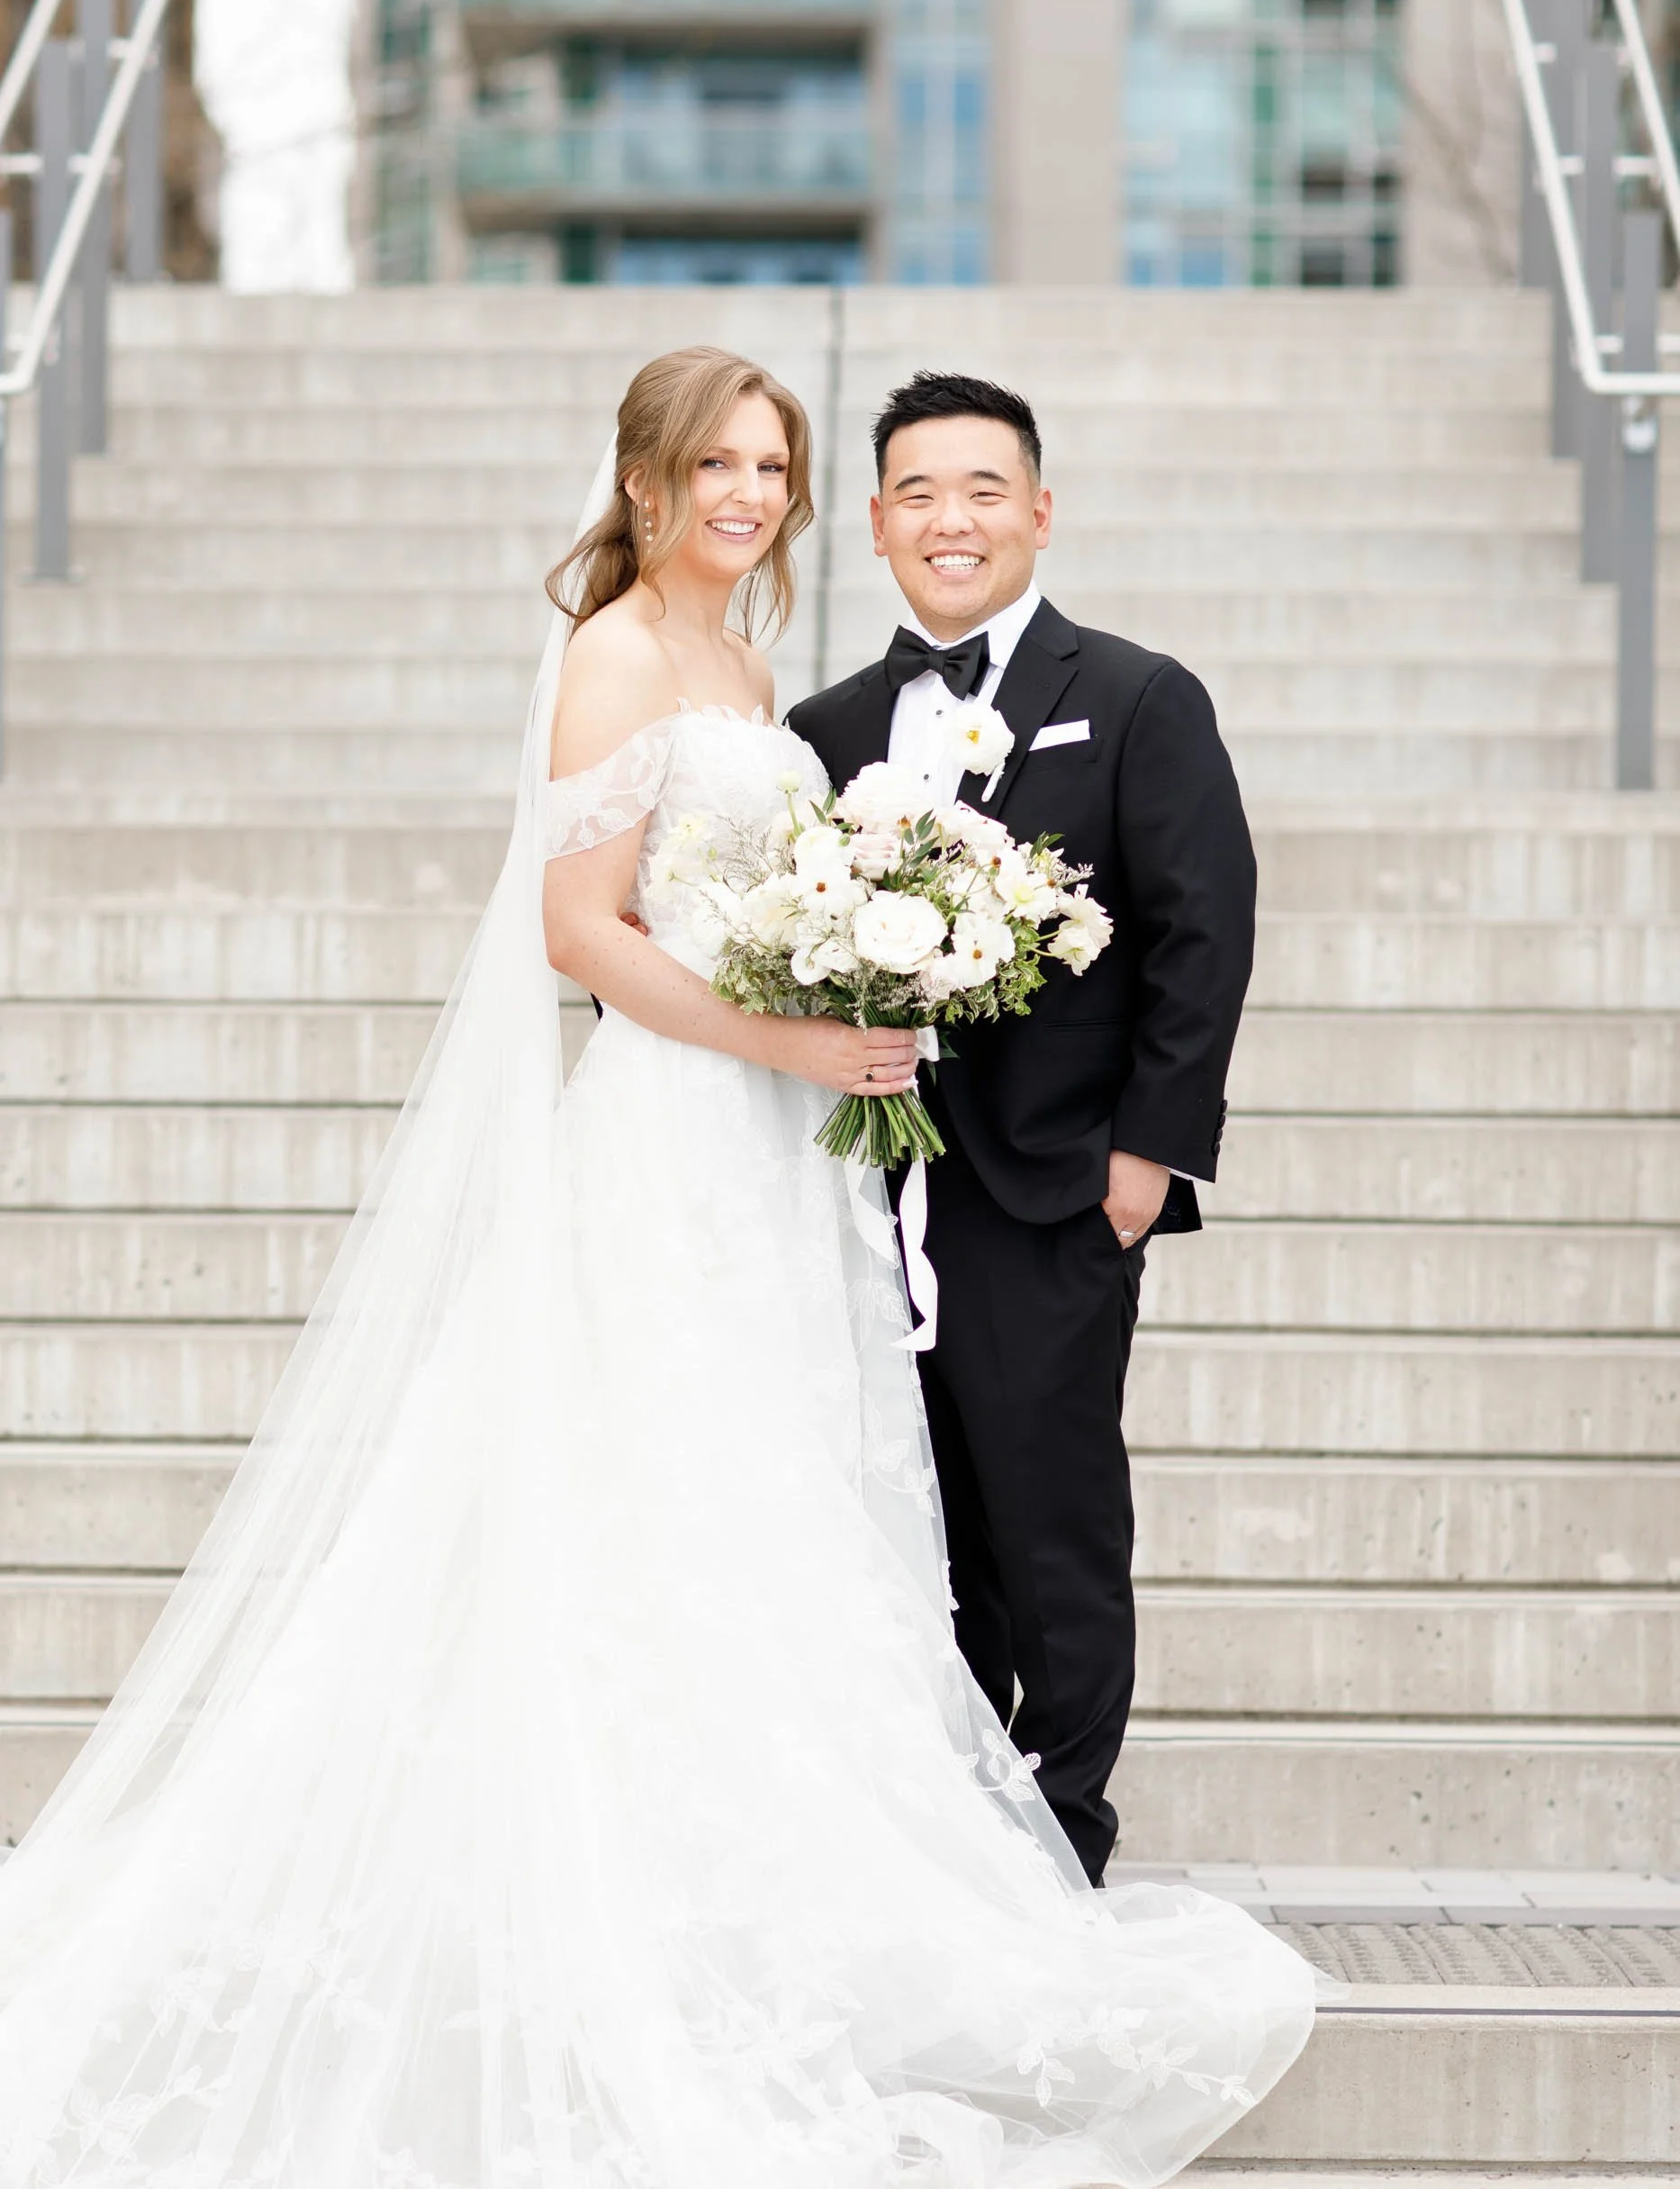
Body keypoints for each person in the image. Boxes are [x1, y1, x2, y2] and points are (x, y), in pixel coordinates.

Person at [0, 347, 1309, 2186]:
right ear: (646, 479)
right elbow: (574, 925)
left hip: (798, 1170)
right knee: (651, 1506)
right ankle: (627, 1899)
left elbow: (1154, 919)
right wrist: (789, 1046)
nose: (749, 493)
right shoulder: (619, 652)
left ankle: (848, 1876)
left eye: (772, 463)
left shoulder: (773, 681)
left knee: (786, 1519)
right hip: (679, 1140)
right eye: (721, 463)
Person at [788, 371, 1257, 1886]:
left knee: (1046, 1522)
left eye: (982, 489)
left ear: (1038, 511)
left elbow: (1202, 929)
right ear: (874, 524)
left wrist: (1143, 1158)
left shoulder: (1132, 696)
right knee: (912, 1528)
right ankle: (932, 1831)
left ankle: (1061, 1838)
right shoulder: (821, 728)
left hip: (1051, 1187)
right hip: (856, 1197)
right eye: (917, 492)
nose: (951, 518)